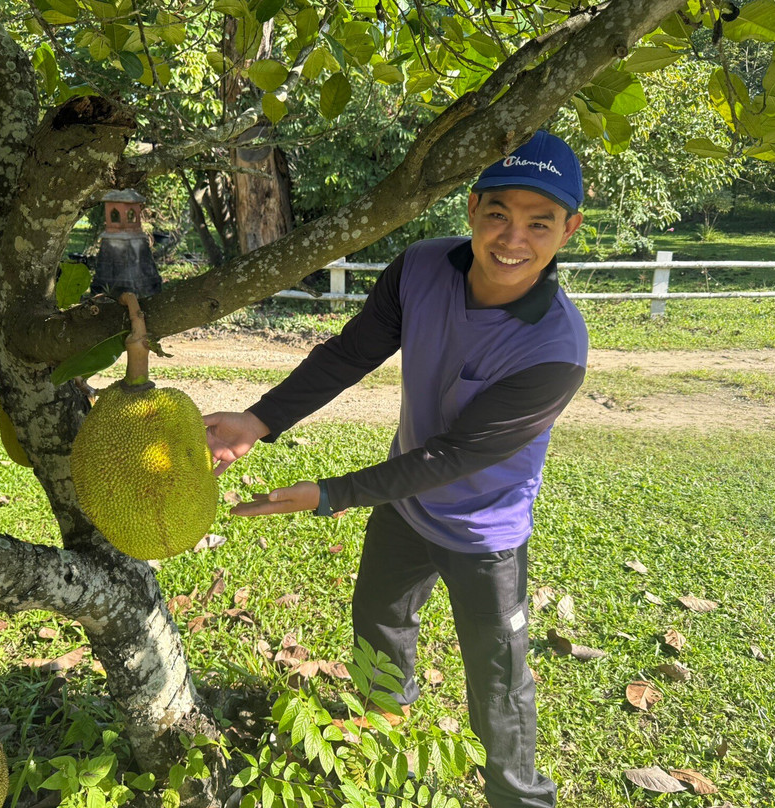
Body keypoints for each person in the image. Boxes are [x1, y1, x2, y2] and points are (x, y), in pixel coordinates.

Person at [203, 129, 588, 808]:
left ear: (569, 229)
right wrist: (260, 420)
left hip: (486, 532)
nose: (512, 238)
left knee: (498, 676)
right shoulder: (420, 268)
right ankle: (383, 729)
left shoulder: (555, 348)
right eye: (498, 213)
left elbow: (457, 456)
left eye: (539, 222)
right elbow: (350, 354)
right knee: (379, 621)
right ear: (472, 208)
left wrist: (331, 494)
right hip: (406, 506)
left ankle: (519, 796)